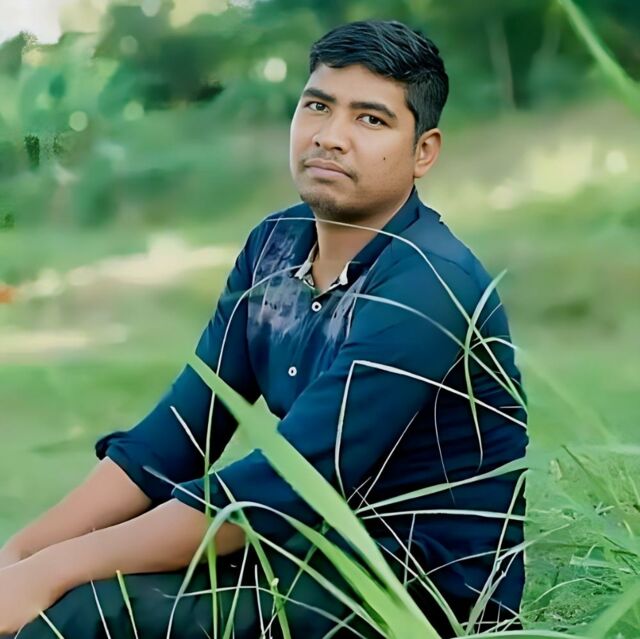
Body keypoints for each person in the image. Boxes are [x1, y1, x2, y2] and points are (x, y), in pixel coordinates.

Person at [0, 19, 528, 638]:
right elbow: (177, 435)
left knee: (79, 611)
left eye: (370, 119)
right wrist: (23, 553)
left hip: (418, 589)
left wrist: (54, 571)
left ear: (424, 152)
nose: (330, 137)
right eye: (318, 106)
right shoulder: (274, 246)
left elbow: (283, 484)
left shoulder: (428, 284)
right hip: (301, 549)